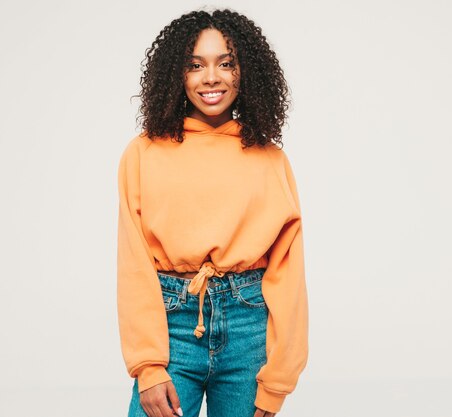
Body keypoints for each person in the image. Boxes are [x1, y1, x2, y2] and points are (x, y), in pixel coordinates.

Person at [116, 8, 308, 417]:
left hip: (248, 327)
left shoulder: (270, 159)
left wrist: (278, 381)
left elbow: (288, 271)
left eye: (226, 63)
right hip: (172, 328)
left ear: (246, 72)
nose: (211, 78)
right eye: (195, 65)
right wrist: (148, 366)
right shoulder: (144, 152)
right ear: (176, 74)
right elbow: (133, 264)